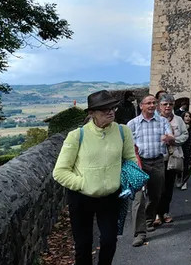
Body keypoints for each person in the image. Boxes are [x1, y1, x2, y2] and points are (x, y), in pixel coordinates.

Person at [52, 90, 136, 265]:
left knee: (109, 241)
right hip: (81, 198)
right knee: (83, 245)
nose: (110, 111)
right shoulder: (77, 135)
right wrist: (84, 183)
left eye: (112, 107)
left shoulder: (123, 131)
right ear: (92, 113)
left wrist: (127, 182)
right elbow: (59, 171)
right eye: (104, 109)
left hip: (111, 197)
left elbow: (130, 160)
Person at [127, 94, 174, 247]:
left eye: (154, 102)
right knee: (138, 199)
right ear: (141, 106)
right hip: (139, 164)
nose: (152, 105)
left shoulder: (162, 121)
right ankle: (139, 233)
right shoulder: (132, 124)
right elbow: (126, 145)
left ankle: (148, 220)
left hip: (158, 162)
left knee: (156, 195)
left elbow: (171, 136)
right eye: (149, 103)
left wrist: (169, 138)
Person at [157, 94, 188, 224]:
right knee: (158, 187)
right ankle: (156, 214)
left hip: (174, 157)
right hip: (159, 157)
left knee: (168, 187)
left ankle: (165, 212)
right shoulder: (155, 120)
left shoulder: (178, 120)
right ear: (160, 106)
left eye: (170, 104)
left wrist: (174, 140)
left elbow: (185, 135)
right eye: (165, 104)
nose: (168, 106)